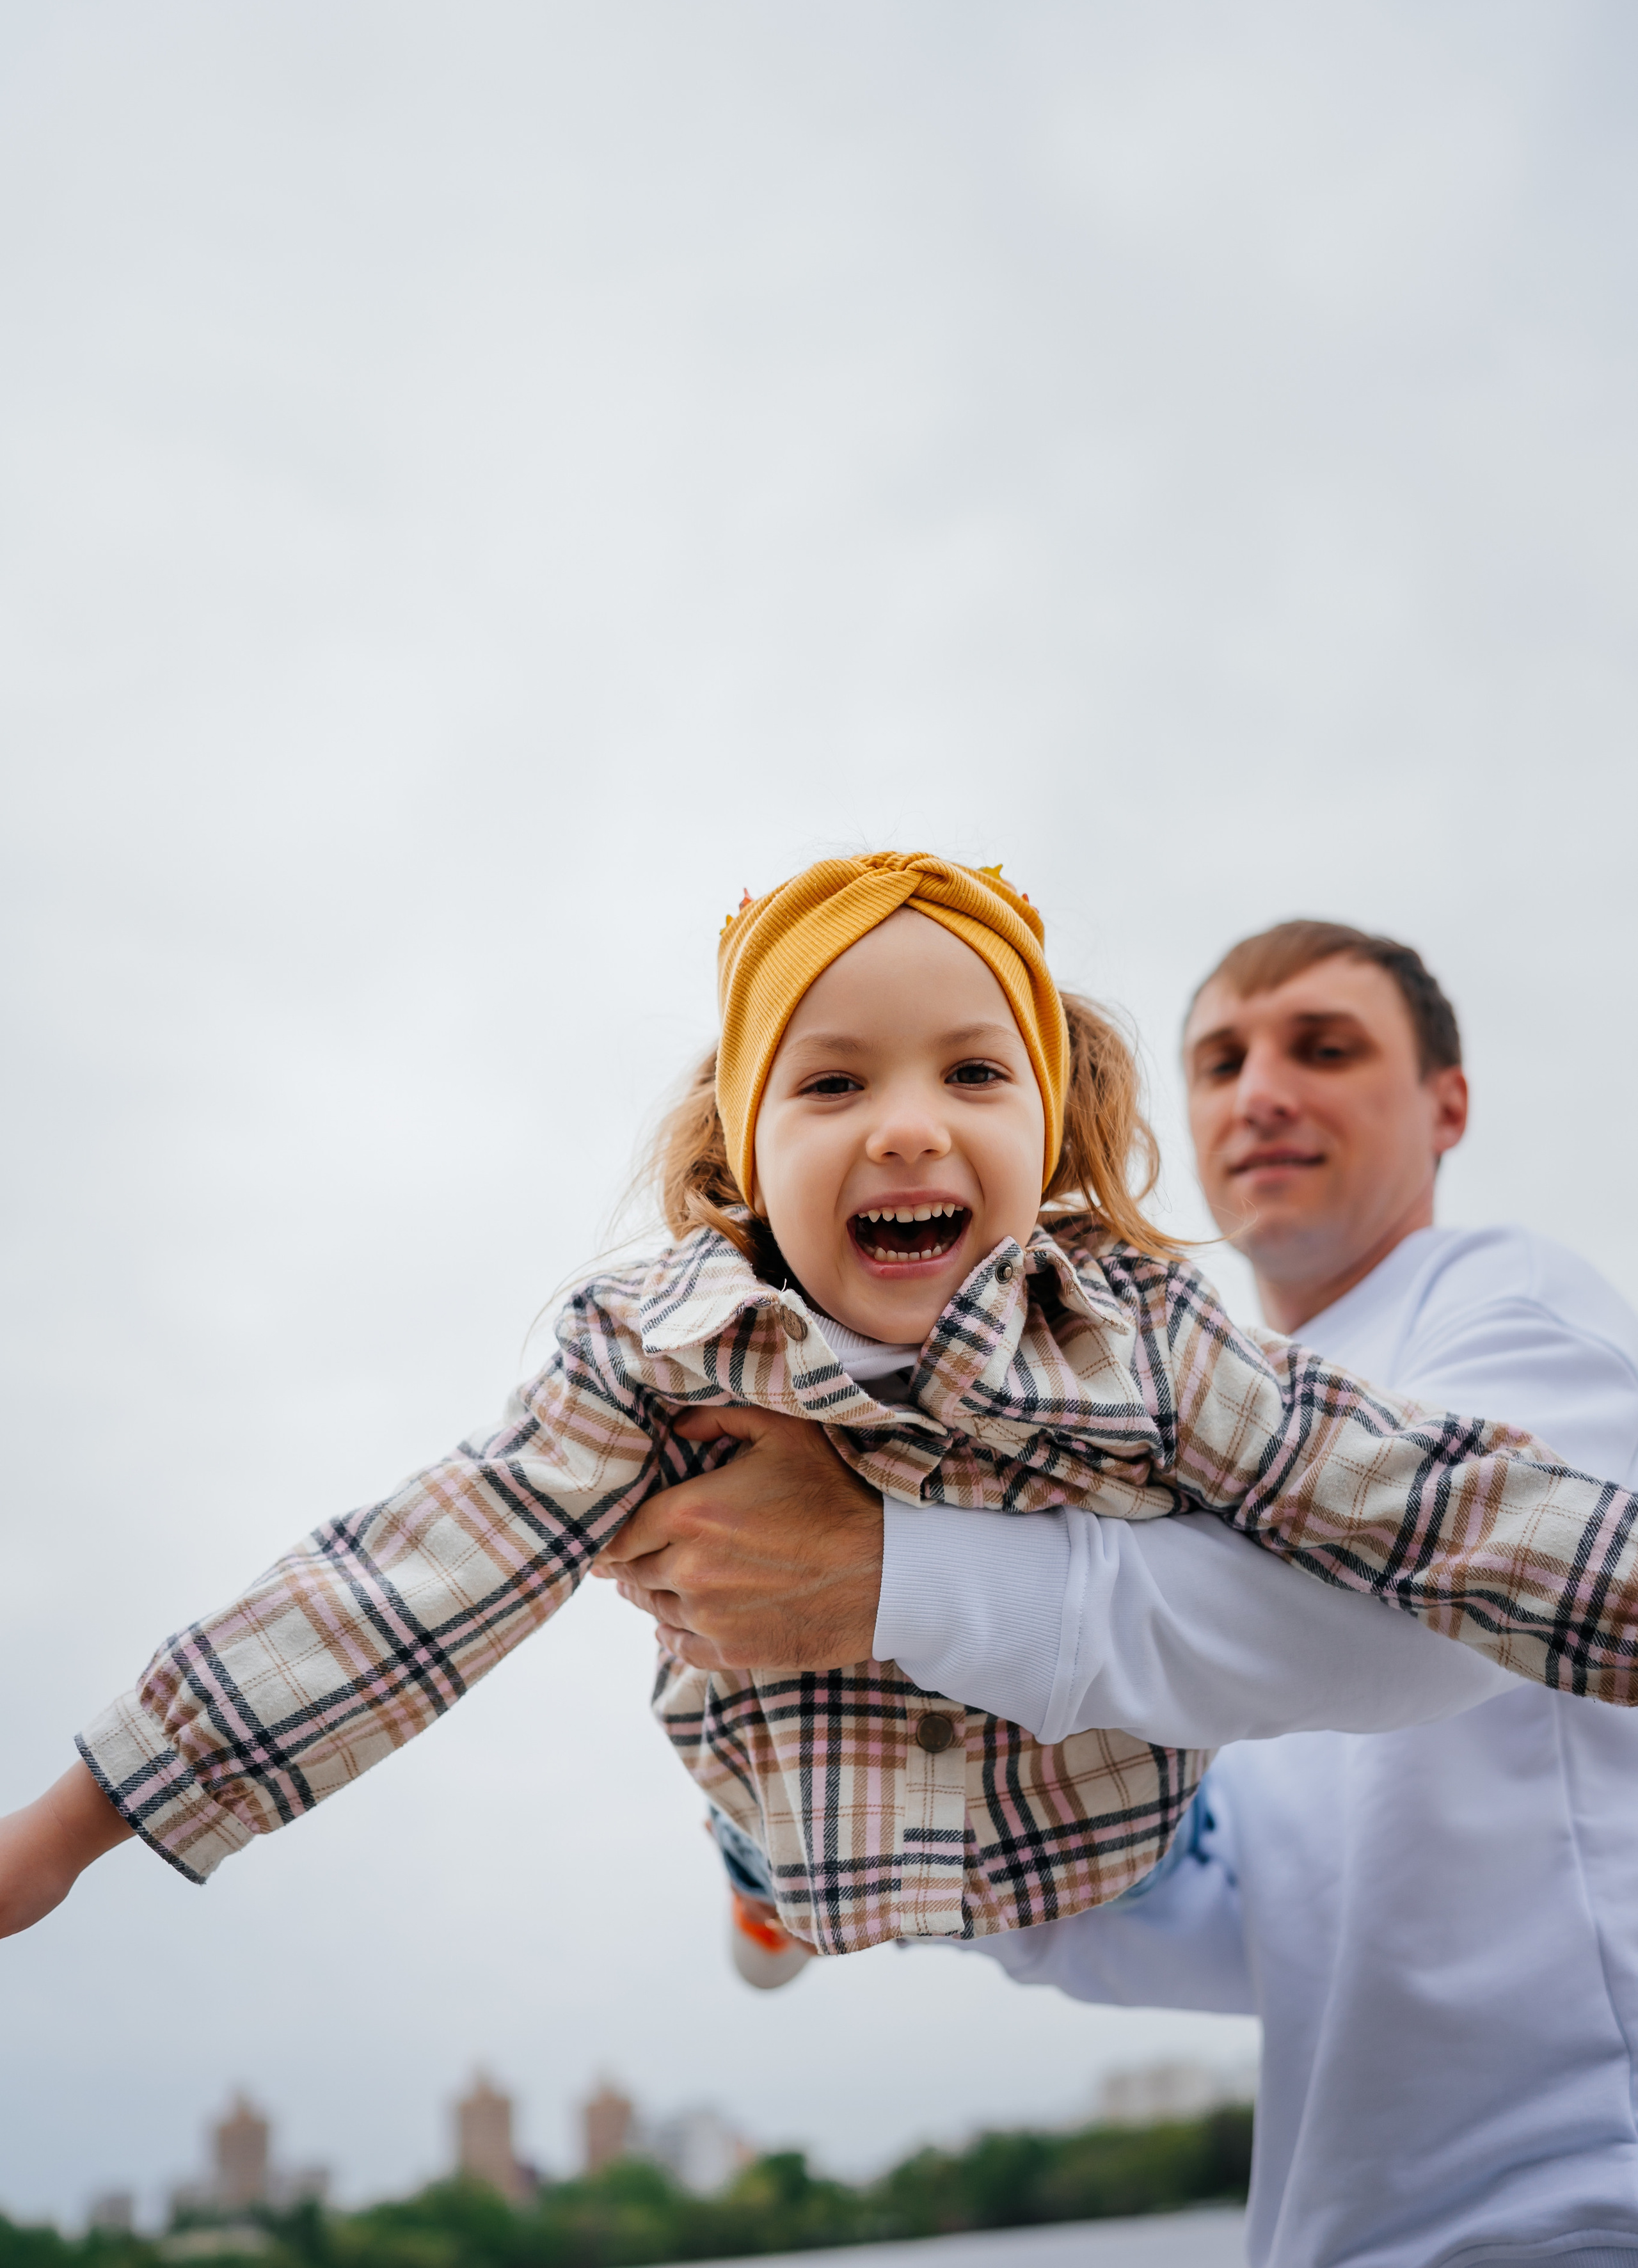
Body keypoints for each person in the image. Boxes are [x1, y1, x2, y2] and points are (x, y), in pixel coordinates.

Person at [1, 866, 1635, 2002]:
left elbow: (1408, 1498)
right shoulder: (656, 1356)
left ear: (1047, 1129)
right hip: (798, 1825)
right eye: (833, 1083)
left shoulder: (1133, 1330)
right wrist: (72, 1828)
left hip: (1103, 1832)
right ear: (741, 1153)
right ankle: (754, 1896)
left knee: (1278, 1508)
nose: (909, 1125)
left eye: (973, 1074)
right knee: (738, 1826)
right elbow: (406, 1585)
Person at [606, 919, 1638, 2268]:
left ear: (1446, 1105)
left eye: (1324, 1050)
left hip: (1576, 2206)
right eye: (1219, 1063)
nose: (1260, 1093)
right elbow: (1229, 1908)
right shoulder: (1165, 1439)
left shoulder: (1506, 1305)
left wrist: (886, 1575)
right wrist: (878, 1798)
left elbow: (1457, 1618)